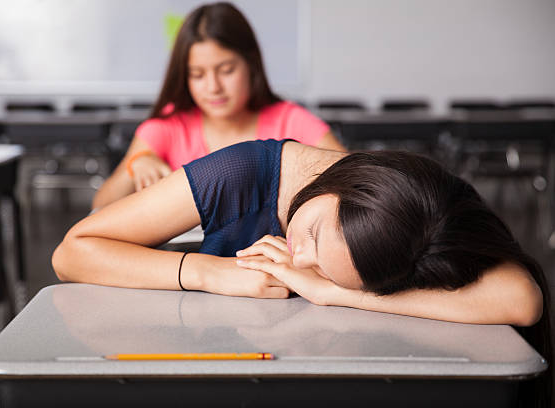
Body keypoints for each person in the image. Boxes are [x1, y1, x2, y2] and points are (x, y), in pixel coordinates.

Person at [54, 139, 551, 402]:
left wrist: (337, 295)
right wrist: (209, 271)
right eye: (310, 235)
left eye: (332, 271)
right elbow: (73, 251)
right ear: (342, 180)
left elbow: (521, 299)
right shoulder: (242, 173)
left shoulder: (412, 224)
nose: (302, 258)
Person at [92, 2, 345, 210]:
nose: (213, 87)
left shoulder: (290, 120)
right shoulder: (169, 126)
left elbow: (354, 178)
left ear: (251, 65)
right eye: (198, 75)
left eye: (226, 70)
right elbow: (100, 207)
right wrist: (135, 165)